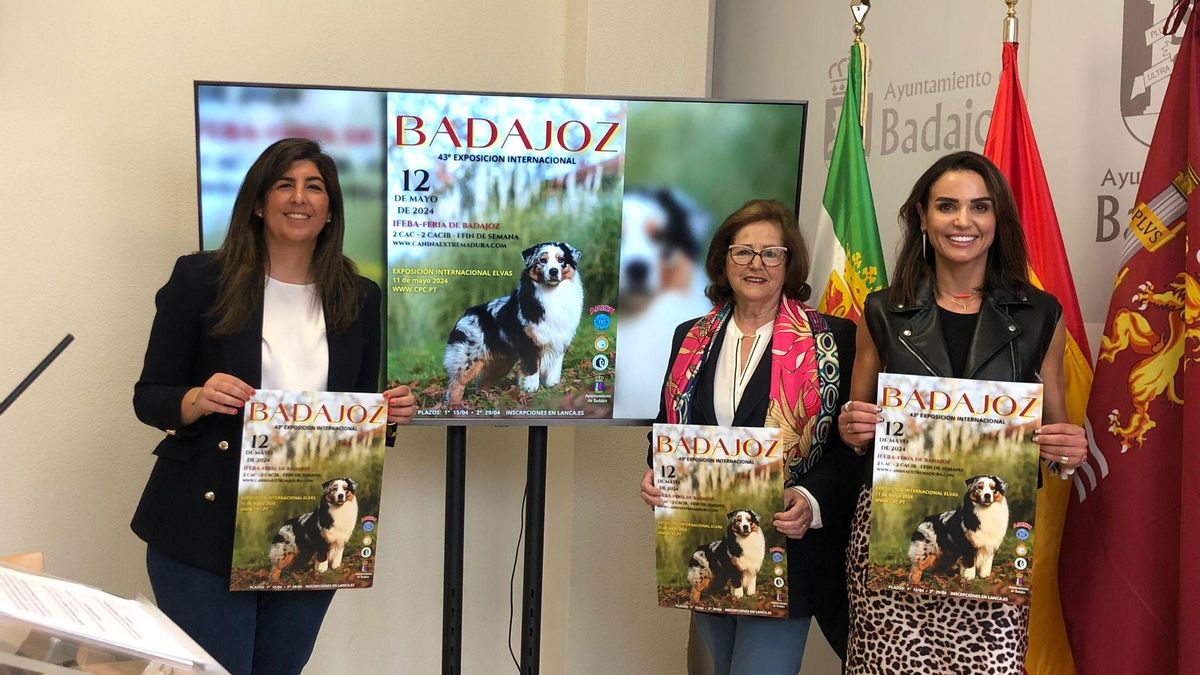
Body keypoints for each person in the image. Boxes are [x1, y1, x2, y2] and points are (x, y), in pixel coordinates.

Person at [130, 138, 417, 675]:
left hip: (311, 527)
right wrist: (196, 398)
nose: (299, 197)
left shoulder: (361, 296)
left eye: (314, 187)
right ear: (258, 203)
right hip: (203, 525)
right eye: (284, 184)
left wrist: (388, 414)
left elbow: (357, 415)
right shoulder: (200, 281)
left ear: (330, 209)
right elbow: (150, 397)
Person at [837, 150, 1089, 673]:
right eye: (946, 206)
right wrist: (852, 425)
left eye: (980, 207)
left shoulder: (1041, 313)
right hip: (895, 538)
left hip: (992, 544)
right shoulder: (882, 310)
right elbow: (855, 429)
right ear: (923, 218)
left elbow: (1057, 435)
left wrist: (1067, 450)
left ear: (998, 220)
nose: (963, 221)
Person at [639, 199, 861, 674]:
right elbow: (667, 427)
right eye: (743, 252)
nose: (755, 265)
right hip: (707, 545)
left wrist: (810, 498)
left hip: (786, 550)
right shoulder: (690, 336)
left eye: (771, 253)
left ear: (790, 263)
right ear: (723, 260)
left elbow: (851, 448)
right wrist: (654, 474)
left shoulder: (834, 339)